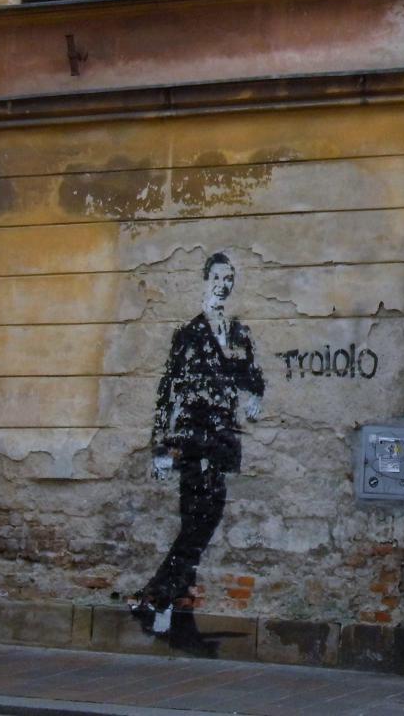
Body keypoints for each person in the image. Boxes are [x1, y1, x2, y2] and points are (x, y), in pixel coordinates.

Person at [135, 252, 267, 652]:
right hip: (193, 443)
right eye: (217, 278)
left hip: (223, 443)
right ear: (205, 279)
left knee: (199, 525)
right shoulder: (189, 334)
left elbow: (251, 374)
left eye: (229, 279)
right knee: (197, 525)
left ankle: (161, 605)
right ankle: (161, 600)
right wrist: (160, 447)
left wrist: (256, 393)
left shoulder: (238, 332)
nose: (223, 285)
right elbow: (168, 391)